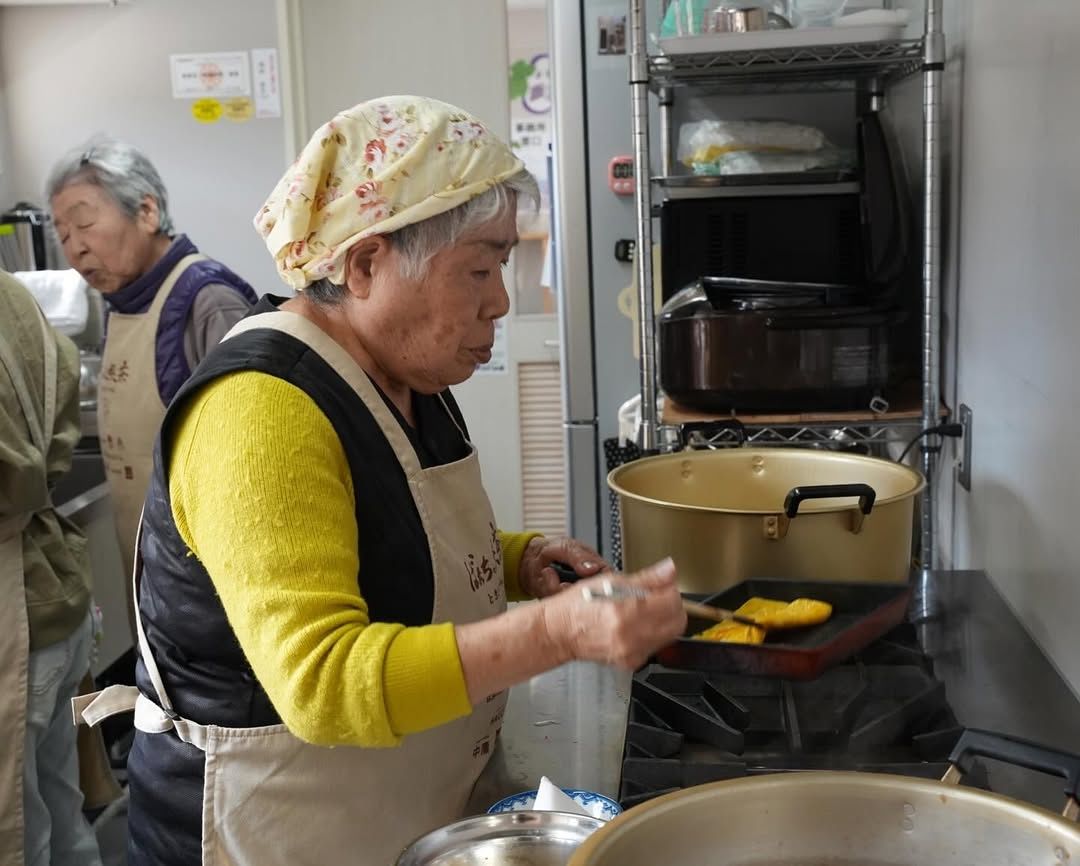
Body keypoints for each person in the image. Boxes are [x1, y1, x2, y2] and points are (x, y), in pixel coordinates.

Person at [73, 96, 687, 866]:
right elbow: (321, 681)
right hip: (268, 835)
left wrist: (520, 560)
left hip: (391, 819)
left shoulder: (404, 381)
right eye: (480, 268)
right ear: (365, 264)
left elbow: (381, 536)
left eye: (501, 266)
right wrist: (558, 633)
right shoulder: (259, 409)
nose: (500, 299)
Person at [46, 138, 259, 603]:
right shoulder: (120, 305)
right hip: (151, 570)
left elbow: (253, 457)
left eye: (84, 223)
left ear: (146, 211)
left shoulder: (208, 302)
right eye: (62, 235)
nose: (75, 249)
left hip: (210, 581)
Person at [0, 273, 103, 866]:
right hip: (51, 592)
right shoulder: (14, 297)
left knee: (20, 834)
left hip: (16, 617)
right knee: (61, 813)